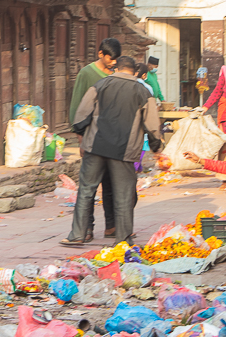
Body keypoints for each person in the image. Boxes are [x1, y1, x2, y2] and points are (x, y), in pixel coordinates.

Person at [61, 56, 163, 246]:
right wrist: (157, 146)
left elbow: (81, 115)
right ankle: (122, 238)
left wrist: (82, 133)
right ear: (133, 71)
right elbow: (152, 124)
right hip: (124, 149)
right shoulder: (142, 91)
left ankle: (77, 234)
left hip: (95, 145)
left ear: (117, 68)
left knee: (86, 190)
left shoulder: (100, 85)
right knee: (124, 194)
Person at [68, 38, 120, 241]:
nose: (113, 63)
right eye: (110, 58)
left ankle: (111, 226)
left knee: (110, 184)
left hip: (112, 138)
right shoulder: (87, 73)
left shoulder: (116, 75)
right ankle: (87, 228)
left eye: (115, 59)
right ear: (100, 54)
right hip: (91, 137)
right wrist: (79, 136)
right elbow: (77, 104)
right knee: (89, 186)